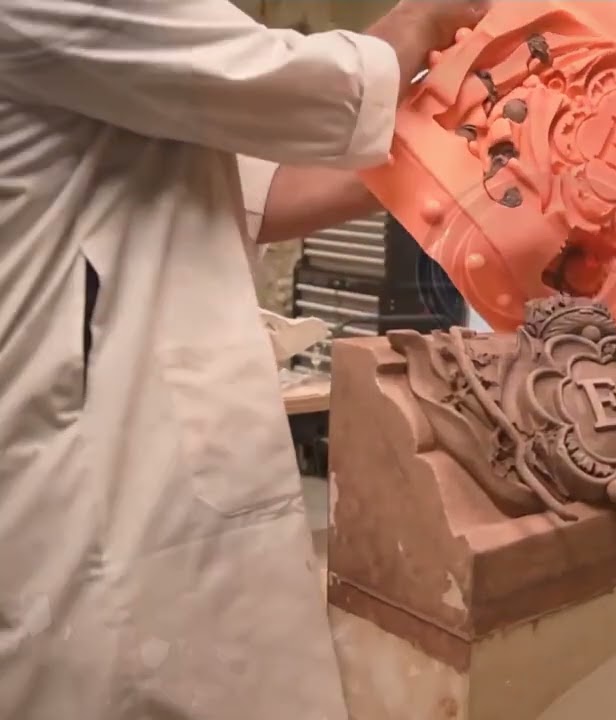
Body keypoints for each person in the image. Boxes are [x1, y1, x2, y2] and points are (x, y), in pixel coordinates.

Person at [0, 1, 486, 718]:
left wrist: (480, 153)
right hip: (104, 472)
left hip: (160, 453)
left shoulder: (140, 63)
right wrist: (430, 17)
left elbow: (271, 185)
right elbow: (305, 83)